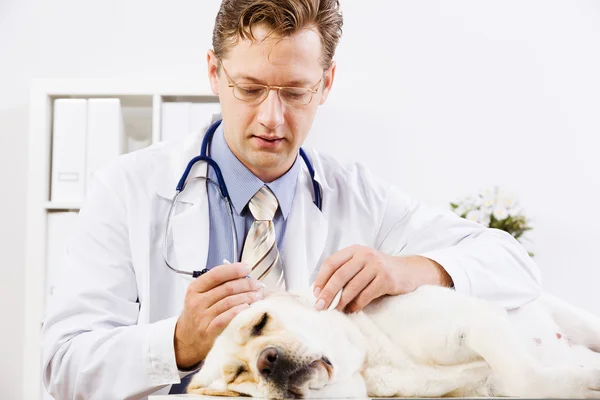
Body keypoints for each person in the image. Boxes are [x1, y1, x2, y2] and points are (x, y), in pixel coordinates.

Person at [41, 0, 542, 398]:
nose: (272, 119)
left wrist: (409, 269)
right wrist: (178, 341)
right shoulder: (126, 189)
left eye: (295, 92)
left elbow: (515, 265)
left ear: (326, 84)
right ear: (215, 74)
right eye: (250, 89)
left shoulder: (359, 196)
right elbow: (61, 368)